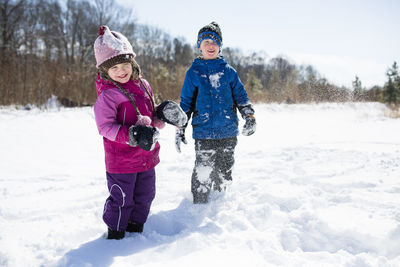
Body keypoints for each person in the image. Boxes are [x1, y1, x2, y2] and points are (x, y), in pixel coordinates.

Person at [93, 25, 186, 239]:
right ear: (104, 71)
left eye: (125, 64)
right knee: (122, 198)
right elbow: (105, 127)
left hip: (146, 155)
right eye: (114, 68)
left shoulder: (143, 85)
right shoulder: (108, 95)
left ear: (132, 62)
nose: (121, 71)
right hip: (121, 161)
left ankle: (136, 231)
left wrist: (161, 116)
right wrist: (132, 135)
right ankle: (115, 235)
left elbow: (149, 115)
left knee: (145, 195)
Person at [176, 22, 256, 204]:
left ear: (220, 46)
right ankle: (199, 205)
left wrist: (249, 116)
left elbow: (242, 97)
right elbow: (186, 103)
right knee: (203, 170)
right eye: (206, 42)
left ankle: (220, 201)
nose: (210, 46)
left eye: (214, 42)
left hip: (228, 131)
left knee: (224, 170)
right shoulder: (193, 73)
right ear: (199, 46)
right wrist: (180, 126)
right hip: (204, 132)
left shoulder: (229, 72)